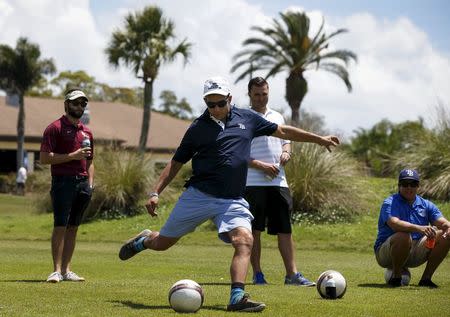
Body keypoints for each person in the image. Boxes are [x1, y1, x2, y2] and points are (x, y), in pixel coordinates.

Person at [119, 76, 339, 312]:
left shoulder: (248, 118)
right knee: (162, 243)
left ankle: (237, 297)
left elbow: (283, 131)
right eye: (210, 104)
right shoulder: (197, 128)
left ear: (230, 99)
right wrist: (155, 192)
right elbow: (176, 163)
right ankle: (143, 241)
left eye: (220, 103)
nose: (215, 109)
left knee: (244, 240)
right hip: (198, 196)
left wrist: (319, 139)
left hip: (232, 199)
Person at [244, 77, 315, 287]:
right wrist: (261, 166)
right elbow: (238, 155)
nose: (260, 97)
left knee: (285, 229)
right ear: (249, 94)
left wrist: (286, 153)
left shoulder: (278, 116)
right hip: (252, 183)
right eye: (256, 94)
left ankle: (291, 275)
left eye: (264, 93)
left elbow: (286, 142)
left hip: (279, 183)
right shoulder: (243, 117)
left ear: (268, 92)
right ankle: (257, 274)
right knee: (254, 231)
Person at [40, 88, 95, 283]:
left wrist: (90, 184)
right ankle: (55, 271)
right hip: (63, 182)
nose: (79, 107)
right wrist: (72, 156)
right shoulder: (54, 128)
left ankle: (66, 270)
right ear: (66, 105)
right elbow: (45, 158)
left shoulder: (86, 131)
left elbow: (90, 161)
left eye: (83, 104)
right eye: (75, 103)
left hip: (82, 184)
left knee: (73, 227)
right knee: (60, 225)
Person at [374, 169, 450, 287]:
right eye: (405, 184)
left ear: (418, 186)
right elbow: (394, 223)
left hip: (416, 251)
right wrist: (419, 228)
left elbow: (443, 223)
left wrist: (449, 227)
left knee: (446, 235)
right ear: (399, 186)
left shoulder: (426, 204)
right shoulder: (390, 202)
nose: (409, 187)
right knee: (403, 235)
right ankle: (396, 278)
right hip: (386, 253)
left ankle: (426, 280)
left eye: (413, 184)